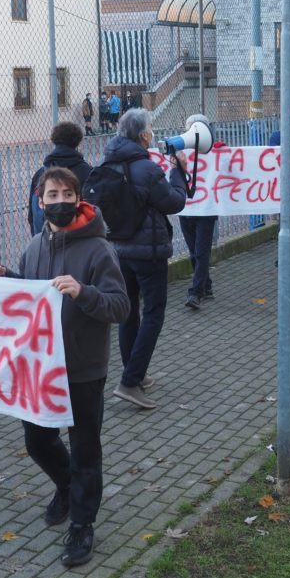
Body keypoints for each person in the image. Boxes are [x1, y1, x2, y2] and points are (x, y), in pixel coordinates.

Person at [0, 167, 130, 569]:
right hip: (40, 369)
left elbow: (120, 306)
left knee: (85, 450)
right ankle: (67, 487)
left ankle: (82, 525)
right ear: (39, 199)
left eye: (68, 193)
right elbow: (32, 298)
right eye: (53, 194)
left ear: (79, 198)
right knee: (38, 441)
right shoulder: (34, 246)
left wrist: (84, 292)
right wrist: (6, 279)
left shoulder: (99, 249)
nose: (60, 200)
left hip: (83, 367)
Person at [103, 109, 187, 410]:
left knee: (128, 312)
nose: (152, 131)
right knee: (154, 313)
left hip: (119, 248)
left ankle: (133, 373)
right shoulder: (146, 168)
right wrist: (179, 171)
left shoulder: (108, 163)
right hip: (148, 252)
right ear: (143, 136)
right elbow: (174, 202)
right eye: (150, 127)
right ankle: (129, 381)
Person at [179, 115, 223, 310]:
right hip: (186, 209)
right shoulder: (180, 152)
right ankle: (206, 286)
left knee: (201, 253)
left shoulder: (216, 151)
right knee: (193, 252)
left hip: (205, 210)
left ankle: (196, 293)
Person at [29, 122, 93, 236]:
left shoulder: (40, 174)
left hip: (44, 239)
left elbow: (31, 216)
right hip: (78, 240)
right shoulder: (87, 172)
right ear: (78, 142)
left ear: (54, 140)